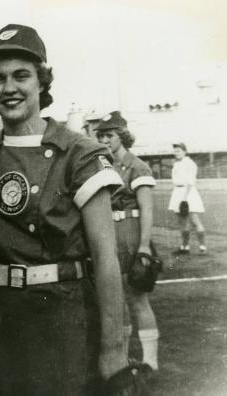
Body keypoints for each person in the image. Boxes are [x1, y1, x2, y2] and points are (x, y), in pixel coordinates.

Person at [0, 24, 132, 395]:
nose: (9, 88)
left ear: (42, 81)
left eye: (21, 76)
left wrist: (113, 349)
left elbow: (106, 257)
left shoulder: (79, 152)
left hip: (65, 317)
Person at [95, 111, 159, 371]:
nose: (104, 140)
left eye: (109, 135)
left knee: (137, 298)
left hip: (131, 232)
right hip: (110, 232)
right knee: (115, 299)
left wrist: (143, 246)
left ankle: (150, 361)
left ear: (121, 135)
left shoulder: (137, 166)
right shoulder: (102, 166)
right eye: (101, 136)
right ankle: (122, 358)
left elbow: (147, 209)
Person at [168, 143, 206, 255]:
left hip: (188, 193)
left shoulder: (190, 163)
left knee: (194, 220)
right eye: (175, 151)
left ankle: (202, 246)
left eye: (179, 151)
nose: (176, 153)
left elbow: (190, 182)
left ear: (185, 151)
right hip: (178, 192)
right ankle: (185, 246)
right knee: (183, 223)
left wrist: (184, 199)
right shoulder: (176, 164)